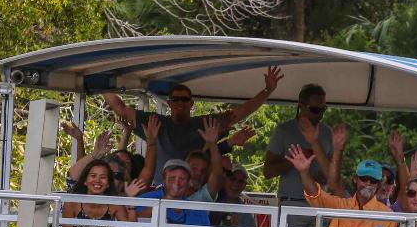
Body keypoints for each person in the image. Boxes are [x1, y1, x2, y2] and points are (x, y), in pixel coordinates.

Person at [103, 66, 282, 183]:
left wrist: (267, 91)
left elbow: (239, 114)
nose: (180, 103)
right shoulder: (155, 122)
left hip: (193, 192)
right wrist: (101, 81)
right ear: (169, 103)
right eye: (175, 99)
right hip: (160, 192)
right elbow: (121, 109)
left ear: (191, 104)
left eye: (185, 99)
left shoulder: (204, 123)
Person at [285, 147, 396, 227]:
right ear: (356, 179)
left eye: (373, 181)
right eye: (364, 178)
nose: (368, 183)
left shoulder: (388, 215)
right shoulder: (341, 205)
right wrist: (303, 172)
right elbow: (315, 195)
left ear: (378, 184)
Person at [132, 117, 225, 227]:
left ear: (188, 181)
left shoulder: (198, 211)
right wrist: (161, 206)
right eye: (172, 177)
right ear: (163, 178)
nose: (177, 182)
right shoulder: (146, 199)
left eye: (182, 178)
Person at [263, 83, 333, 202]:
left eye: (323, 109)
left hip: (320, 202)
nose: (320, 114)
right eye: (315, 109)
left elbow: (334, 172)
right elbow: (267, 172)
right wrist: (293, 161)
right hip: (291, 202)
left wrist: (327, 177)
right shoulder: (284, 130)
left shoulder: (327, 133)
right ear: (301, 105)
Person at [60, 160, 139, 227]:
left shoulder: (115, 205)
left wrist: (131, 200)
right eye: (93, 176)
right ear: (85, 181)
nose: (97, 180)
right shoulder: (71, 203)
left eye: (102, 177)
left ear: (108, 184)